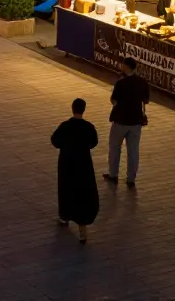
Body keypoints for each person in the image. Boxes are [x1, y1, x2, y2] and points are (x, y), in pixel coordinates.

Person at [51, 98, 99, 244]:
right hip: (83, 165)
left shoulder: (65, 126)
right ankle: (82, 230)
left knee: (66, 190)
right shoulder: (88, 127)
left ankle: (65, 215)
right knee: (81, 193)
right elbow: (93, 142)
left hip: (66, 163)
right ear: (84, 109)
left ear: (72, 108)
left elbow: (55, 141)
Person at [104, 58, 149, 187]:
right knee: (133, 151)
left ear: (126, 67)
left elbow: (113, 101)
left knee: (115, 148)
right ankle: (131, 179)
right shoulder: (143, 82)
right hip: (136, 122)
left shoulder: (121, 83)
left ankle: (113, 174)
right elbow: (146, 101)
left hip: (120, 120)